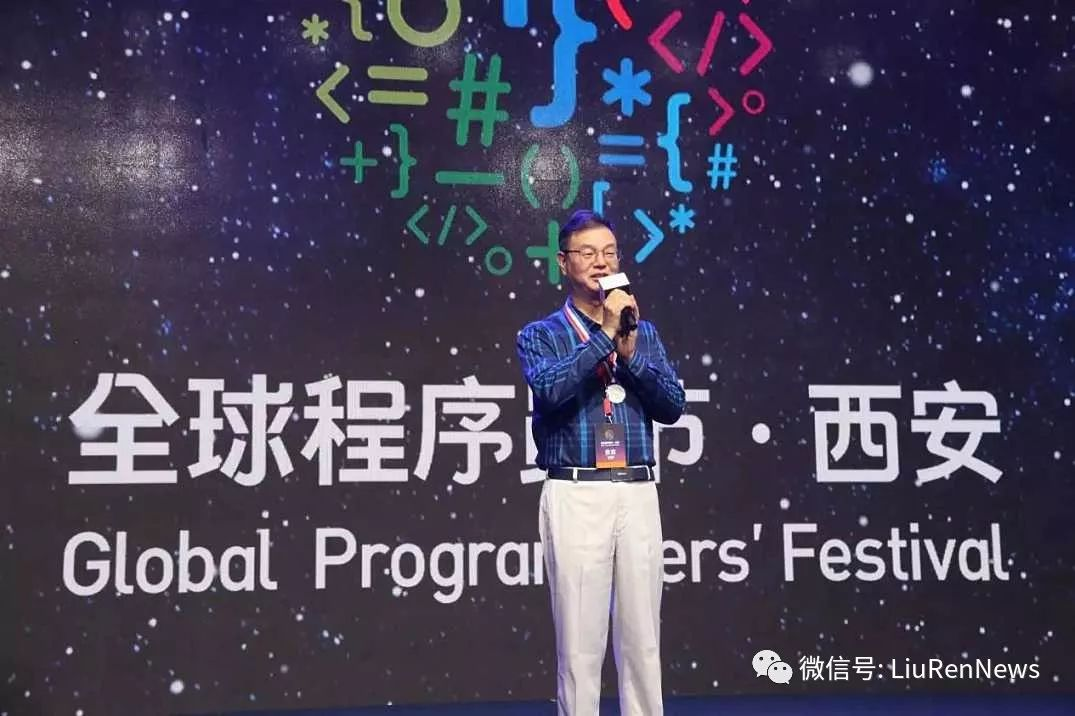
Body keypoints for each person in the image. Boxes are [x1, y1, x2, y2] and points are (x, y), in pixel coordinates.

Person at [516, 210, 687, 716]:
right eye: (588, 253)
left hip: (637, 490)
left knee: (642, 639)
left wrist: (630, 354)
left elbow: (673, 406)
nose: (601, 263)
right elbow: (550, 389)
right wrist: (603, 336)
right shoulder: (541, 334)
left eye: (610, 253)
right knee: (580, 645)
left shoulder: (643, 333)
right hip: (576, 490)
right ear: (563, 263)